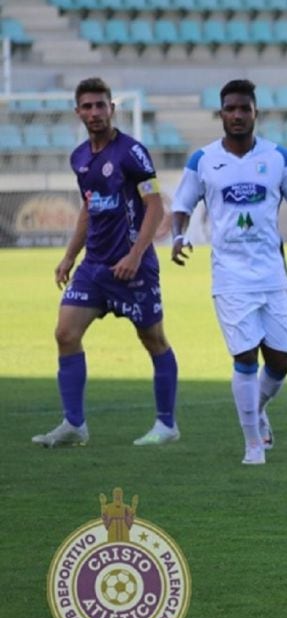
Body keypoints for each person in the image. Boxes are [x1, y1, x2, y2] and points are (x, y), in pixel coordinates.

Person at [171, 79, 287, 466]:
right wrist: (177, 236)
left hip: (272, 272)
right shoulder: (202, 160)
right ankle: (253, 443)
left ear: (255, 113)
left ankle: (258, 408)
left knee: (280, 362)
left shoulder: (278, 157)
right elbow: (181, 206)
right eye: (230, 109)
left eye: (244, 109)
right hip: (230, 275)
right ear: (221, 114)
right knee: (246, 357)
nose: (237, 115)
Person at [32, 77, 179, 449]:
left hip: (133, 268)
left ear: (112, 108)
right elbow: (88, 206)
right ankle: (74, 425)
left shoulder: (132, 153)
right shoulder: (79, 158)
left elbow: (155, 205)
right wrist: (70, 255)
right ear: (78, 112)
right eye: (88, 106)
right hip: (95, 268)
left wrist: (135, 255)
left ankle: (166, 424)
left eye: (101, 105)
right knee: (65, 333)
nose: (95, 112)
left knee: (153, 339)